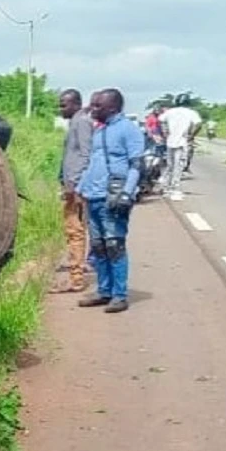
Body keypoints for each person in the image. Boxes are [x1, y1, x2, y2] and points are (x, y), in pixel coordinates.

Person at [77, 88, 145, 313]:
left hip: (113, 196)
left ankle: (119, 295)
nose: (93, 109)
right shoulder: (100, 131)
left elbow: (137, 165)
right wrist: (81, 188)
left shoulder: (128, 130)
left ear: (112, 108)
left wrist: (127, 193)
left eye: (98, 106)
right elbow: (94, 162)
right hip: (94, 196)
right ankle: (104, 291)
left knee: (114, 245)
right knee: (98, 247)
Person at [54, 89, 93, 294]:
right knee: (75, 231)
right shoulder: (75, 122)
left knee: (74, 231)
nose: (61, 109)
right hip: (71, 186)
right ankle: (77, 269)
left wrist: (78, 185)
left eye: (64, 105)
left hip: (76, 188)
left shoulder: (82, 123)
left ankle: (76, 279)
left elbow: (87, 156)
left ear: (76, 104)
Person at [159, 103, 202, 200]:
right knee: (179, 166)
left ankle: (166, 187)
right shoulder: (190, 112)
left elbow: (161, 120)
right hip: (182, 142)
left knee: (170, 165)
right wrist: (191, 135)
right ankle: (175, 188)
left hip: (170, 142)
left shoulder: (170, 112)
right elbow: (199, 124)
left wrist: (165, 132)